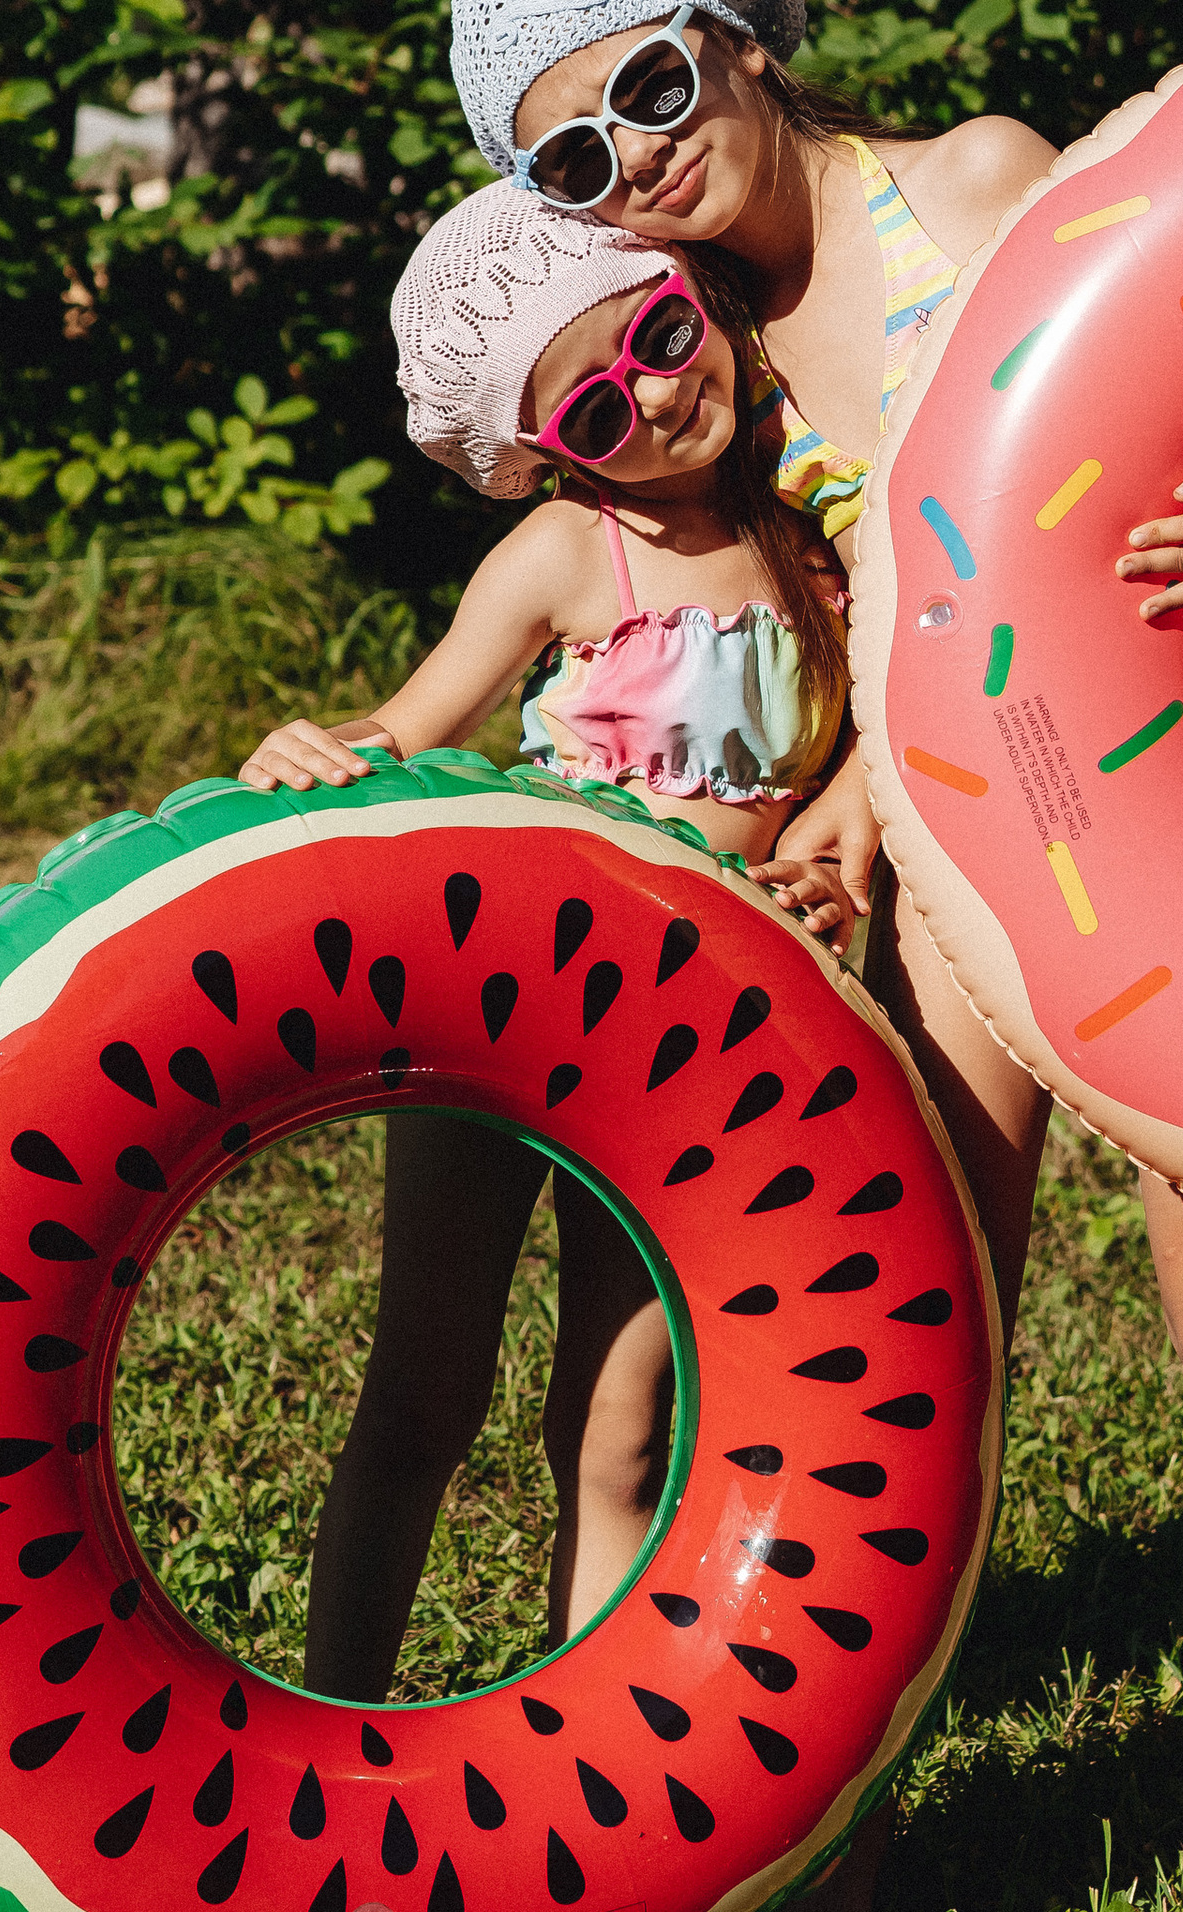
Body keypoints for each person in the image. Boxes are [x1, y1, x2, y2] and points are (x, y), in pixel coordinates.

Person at [446, 0, 1183, 1910]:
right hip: (941, 854)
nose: (644, 159)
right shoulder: (709, 357)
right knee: (927, 1340)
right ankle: (846, 1814)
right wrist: (830, 798)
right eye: (581, 158)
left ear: (739, 39)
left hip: (1153, 821)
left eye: (655, 90)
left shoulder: (985, 184)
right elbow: (852, 633)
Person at [237, 188, 863, 1700]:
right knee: (425, 1387)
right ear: (554, 452)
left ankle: (587, 1749)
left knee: (623, 1415)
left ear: (698, 305)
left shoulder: (811, 539)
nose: (652, 398)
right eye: (596, 403)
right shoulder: (568, 556)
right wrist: (305, 749)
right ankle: (337, 1713)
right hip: (510, 1006)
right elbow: (405, 727)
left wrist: (840, 863)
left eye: (657, 338)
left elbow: (867, 761)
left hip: (694, 1035)